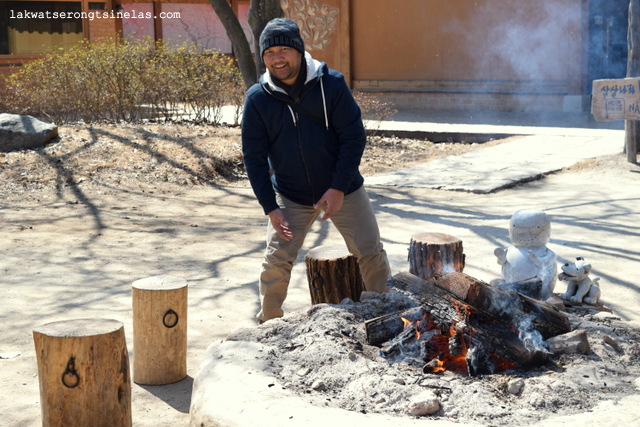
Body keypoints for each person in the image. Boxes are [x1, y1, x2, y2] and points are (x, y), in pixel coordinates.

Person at [242, 18, 391, 323]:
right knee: (276, 260)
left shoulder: (331, 85)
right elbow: (253, 158)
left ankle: (384, 316)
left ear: (299, 51)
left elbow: (353, 138)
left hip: (344, 189)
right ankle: (268, 324)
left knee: (370, 252)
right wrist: (271, 208)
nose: (277, 58)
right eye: (269, 53)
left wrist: (337, 188)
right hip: (291, 194)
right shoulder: (257, 100)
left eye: (284, 50)